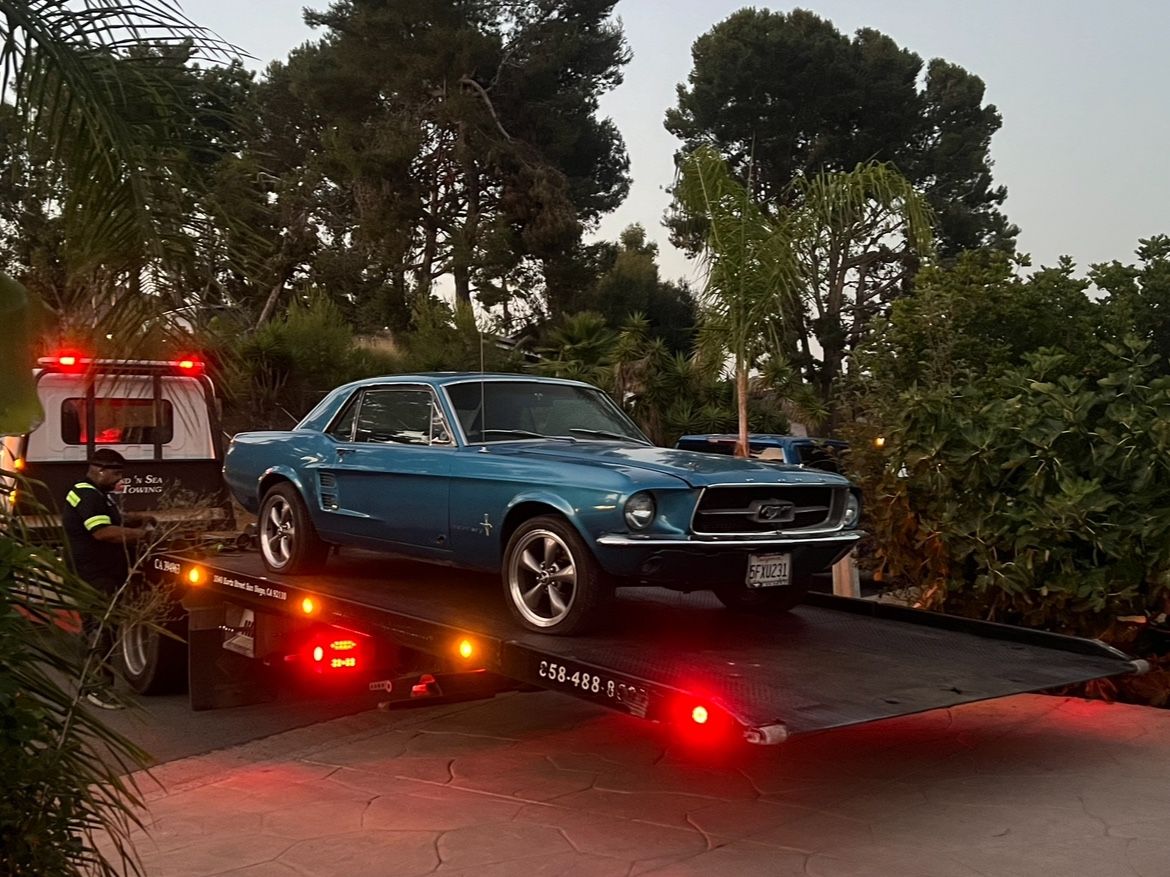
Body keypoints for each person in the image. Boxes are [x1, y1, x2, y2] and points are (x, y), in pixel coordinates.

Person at [61, 447, 156, 710]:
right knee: (100, 629)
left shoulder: (94, 493)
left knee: (102, 627)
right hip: (92, 575)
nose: (119, 479)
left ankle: (92, 685)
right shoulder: (89, 496)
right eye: (115, 473)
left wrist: (138, 519)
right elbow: (102, 531)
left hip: (98, 572)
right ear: (100, 470)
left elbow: (111, 519)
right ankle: (96, 689)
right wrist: (143, 536)